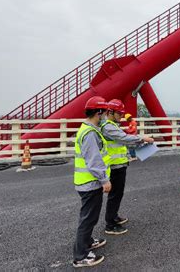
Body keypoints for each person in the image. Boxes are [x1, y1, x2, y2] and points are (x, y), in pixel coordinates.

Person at [101, 99, 154, 235]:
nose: (121, 116)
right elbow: (123, 138)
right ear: (110, 112)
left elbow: (122, 141)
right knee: (114, 195)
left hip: (120, 165)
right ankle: (110, 224)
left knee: (118, 193)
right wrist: (142, 139)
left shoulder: (113, 124)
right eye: (119, 113)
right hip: (114, 166)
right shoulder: (108, 126)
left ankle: (114, 216)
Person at [73, 96, 110, 268]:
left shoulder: (87, 129)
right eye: (104, 112)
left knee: (90, 217)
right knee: (87, 219)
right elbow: (94, 161)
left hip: (88, 182)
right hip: (90, 183)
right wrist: (104, 180)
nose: (105, 116)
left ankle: (87, 241)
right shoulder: (90, 134)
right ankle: (80, 256)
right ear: (99, 112)